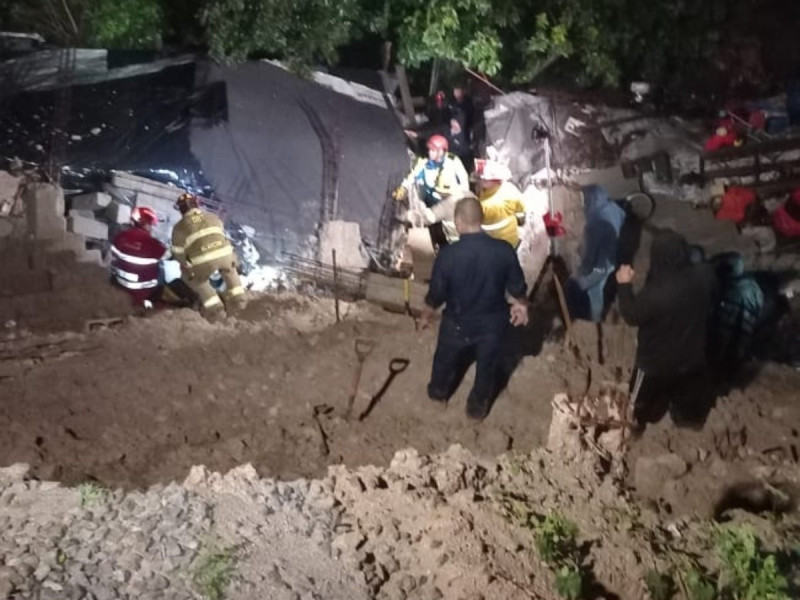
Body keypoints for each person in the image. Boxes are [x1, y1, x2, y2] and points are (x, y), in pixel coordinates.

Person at [420, 196, 529, 420]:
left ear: (459, 221)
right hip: (492, 325)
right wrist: (522, 305)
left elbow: (437, 293)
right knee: (487, 366)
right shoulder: (504, 250)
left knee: (444, 360)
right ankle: (476, 409)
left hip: (456, 323)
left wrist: (426, 313)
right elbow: (518, 288)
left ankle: (438, 394)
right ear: (481, 219)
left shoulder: (448, 254)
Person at [615, 229, 718, 433]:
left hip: (654, 362)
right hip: (690, 358)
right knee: (685, 395)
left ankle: (636, 423)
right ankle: (687, 422)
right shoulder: (704, 276)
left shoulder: (655, 292)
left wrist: (624, 285)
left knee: (639, 400)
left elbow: (631, 315)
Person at [171, 192, 245, 317]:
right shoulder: (213, 217)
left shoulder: (179, 227)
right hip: (224, 255)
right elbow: (221, 235)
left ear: (181, 209)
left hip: (202, 261)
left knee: (196, 281)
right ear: (197, 204)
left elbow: (178, 254)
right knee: (230, 271)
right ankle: (240, 303)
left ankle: (216, 310)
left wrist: (187, 266)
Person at [566, 185, 625, 322]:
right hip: (611, 260)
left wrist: (580, 272)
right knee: (598, 288)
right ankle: (598, 314)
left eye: (586, 201)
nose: (584, 205)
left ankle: (589, 318)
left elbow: (590, 258)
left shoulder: (594, 225)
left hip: (600, 266)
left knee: (581, 287)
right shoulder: (614, 209)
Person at [110, 206, 168, 307]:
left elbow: (113, 255)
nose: (151, 228)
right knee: (163, 267)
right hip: (142, 291)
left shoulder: (120, 237)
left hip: (120, 283)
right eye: (150, 224)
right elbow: (167, 254)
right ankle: (154, 301)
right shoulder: (152, 243)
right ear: (145, 223)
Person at [394, 134, 470, 208]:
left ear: (441, 151)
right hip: (431, 200)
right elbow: (412, 176)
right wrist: (403, 187)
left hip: (451, 199)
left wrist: (462, 197)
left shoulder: (452, 161)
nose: (430, 153)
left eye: (433, 150)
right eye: (429, 150)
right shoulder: (424, 162)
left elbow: (464, 179)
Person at [476, 161, 526, 248]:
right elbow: (521, 211)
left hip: (500, 241)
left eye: (485, 179)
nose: (481, 179)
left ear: (497, 181)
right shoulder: (509, 188)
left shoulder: (488, 204)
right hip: (508, 240)